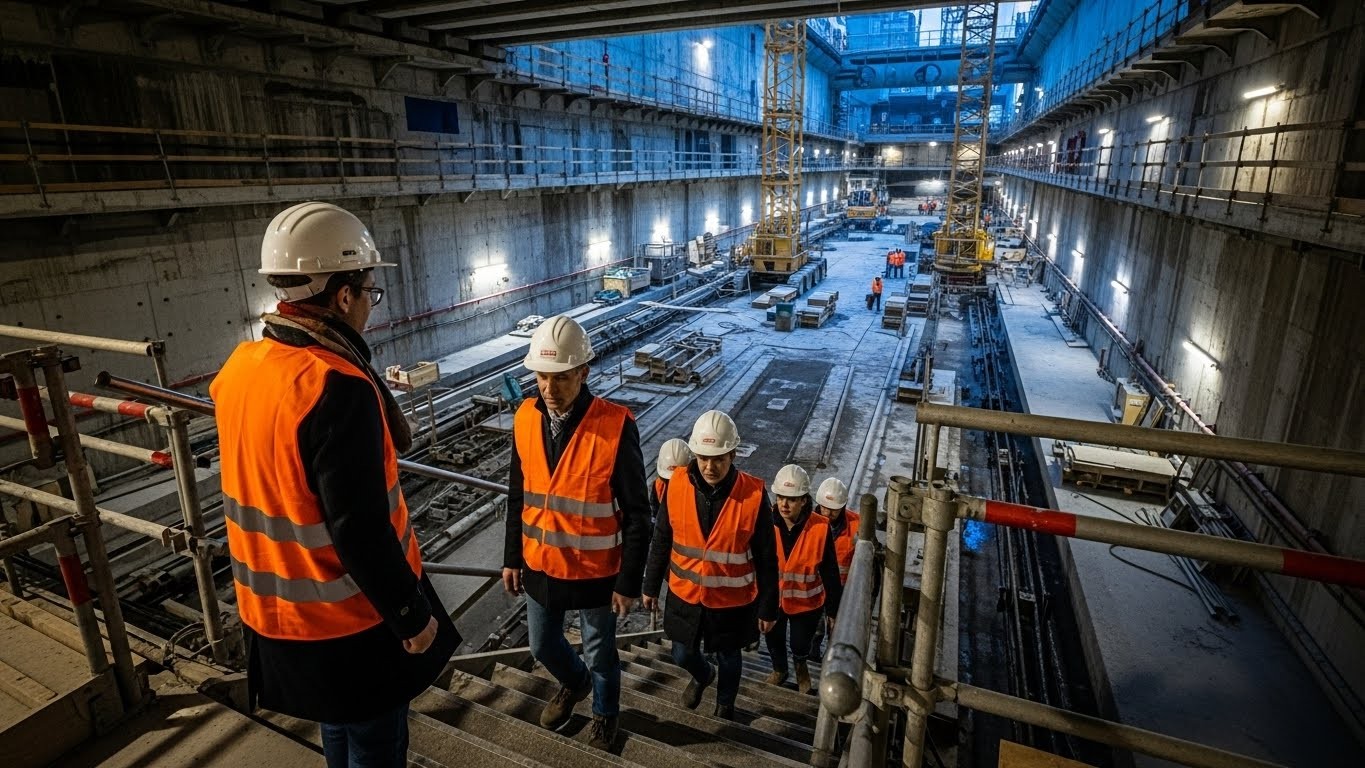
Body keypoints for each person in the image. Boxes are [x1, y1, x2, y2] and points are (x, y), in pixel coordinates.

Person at [212, 201, 459, 768]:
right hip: (346, 618)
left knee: (340, 731)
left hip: (272, 610)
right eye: (370, 290)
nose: (371, 304)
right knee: (375, 744)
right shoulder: (334, 386)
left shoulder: (241, 369)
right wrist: (411, 616)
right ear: (342, 294)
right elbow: (360, 528)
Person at [502, 315, 651, 751]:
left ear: (583, 372)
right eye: (541, 378)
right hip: (539, 565)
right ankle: (574, 682)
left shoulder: (615, 425)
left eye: (561, 378)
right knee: (542, 644)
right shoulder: (525, 418)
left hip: (594, 572)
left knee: (601, 653)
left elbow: (639, 515)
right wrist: (512, 556)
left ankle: (605, 715)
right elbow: (518, 493)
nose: (549, 389)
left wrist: (628, 581)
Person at [641, 411, 778, 721]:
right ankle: (704, 676)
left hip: (731, 601)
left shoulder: (753, 495)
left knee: (730, 656)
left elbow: (768, 558)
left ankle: (725, 707)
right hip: (685, 594)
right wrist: (650, 586)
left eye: (718, 458)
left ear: (732, 454)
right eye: (703, 457)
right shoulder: (676, 484)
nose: (709, 466)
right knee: (681, 653)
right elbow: (662, 537)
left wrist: (769, 607)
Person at [765, 465, 842, 695]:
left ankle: (800, 666)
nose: (784, 504)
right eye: (780, 497)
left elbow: (830, 570)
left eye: (791, 499)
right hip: (774, 600)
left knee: (800, 644)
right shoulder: (767, 523)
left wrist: (833, 611)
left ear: (804, 501)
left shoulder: (820, 527)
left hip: (807, 603)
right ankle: (780, 670)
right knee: (774, 640)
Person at [815, 478, 860, 585]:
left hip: (843, 590)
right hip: (815, 590)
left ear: (843, 507)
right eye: (825, 508)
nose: (828, 513)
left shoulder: (857, 524)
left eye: (834, 509)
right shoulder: (807, 524)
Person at [651, 438, 693, 523]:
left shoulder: (696, 491)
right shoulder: (658, 486)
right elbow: (655, 516)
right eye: (669, 480)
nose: (673, 484)